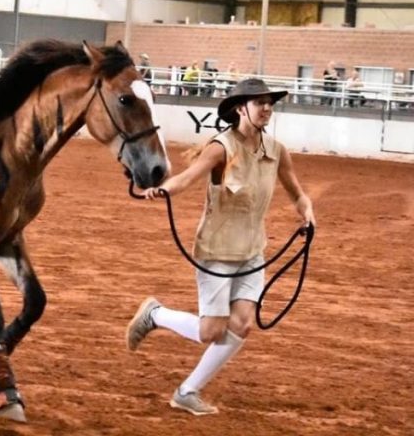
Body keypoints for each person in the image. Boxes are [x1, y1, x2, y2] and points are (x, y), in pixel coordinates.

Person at [126, 77, 316, 416]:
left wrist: (307, 210)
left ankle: (187, 391)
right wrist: (164, 190)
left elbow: (296, 192)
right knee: (210, 331)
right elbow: (188, 177)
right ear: (241, 108)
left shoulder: (276, 151)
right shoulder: (221, 147)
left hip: (252, 252)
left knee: (242, 323)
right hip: (216, 251)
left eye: (270, 103)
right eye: (260, 103)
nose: (267, 108)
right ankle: (155, 314)